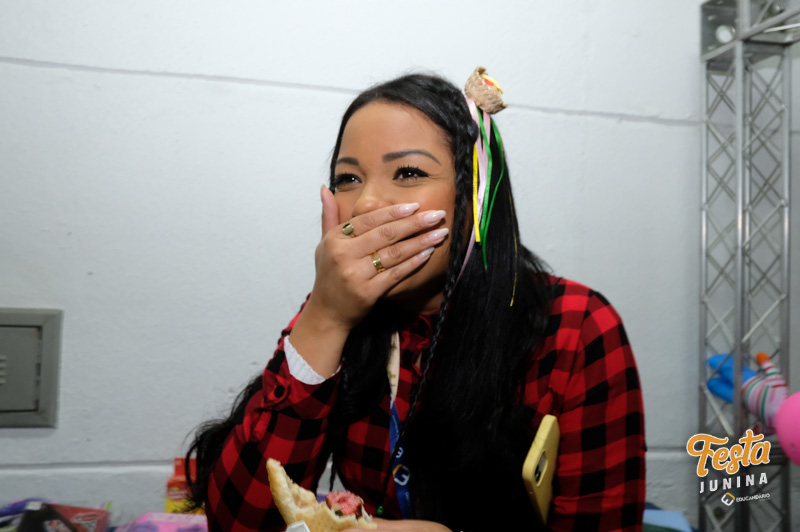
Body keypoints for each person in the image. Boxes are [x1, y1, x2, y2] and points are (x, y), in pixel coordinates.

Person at [185, 69, 647, 532]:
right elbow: (241, 522)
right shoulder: (338, 308)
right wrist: (325, 317)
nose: (365, 204)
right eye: (348, 178)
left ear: (475, 196)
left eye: (408, 173)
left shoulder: (576, 328)